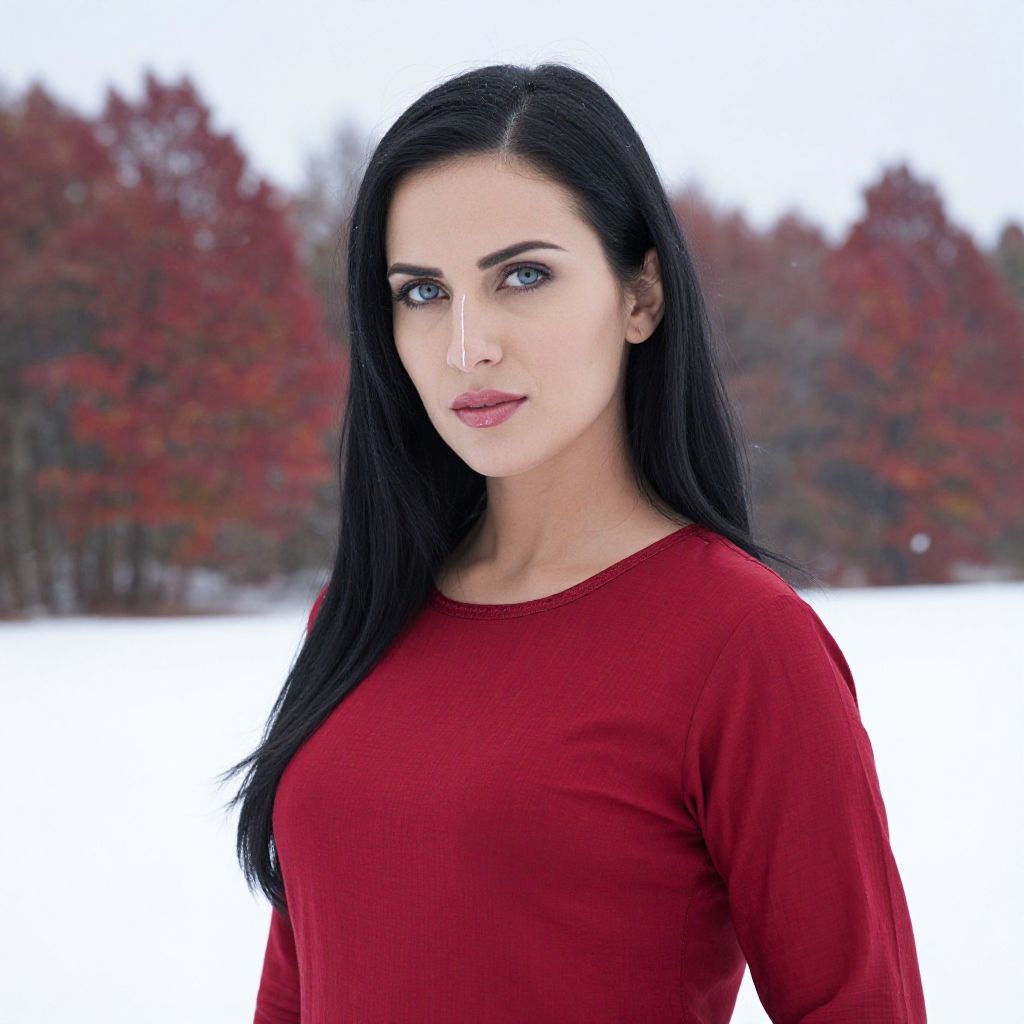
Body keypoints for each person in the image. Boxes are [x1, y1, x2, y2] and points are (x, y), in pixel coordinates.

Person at [220, 62, 927, 1022]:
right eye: (421, 292)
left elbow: (861, 1004)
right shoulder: (359, 612)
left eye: (523, 276)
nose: (468, 343)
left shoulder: (742, 643)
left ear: (641, 295)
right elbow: (297, 985)